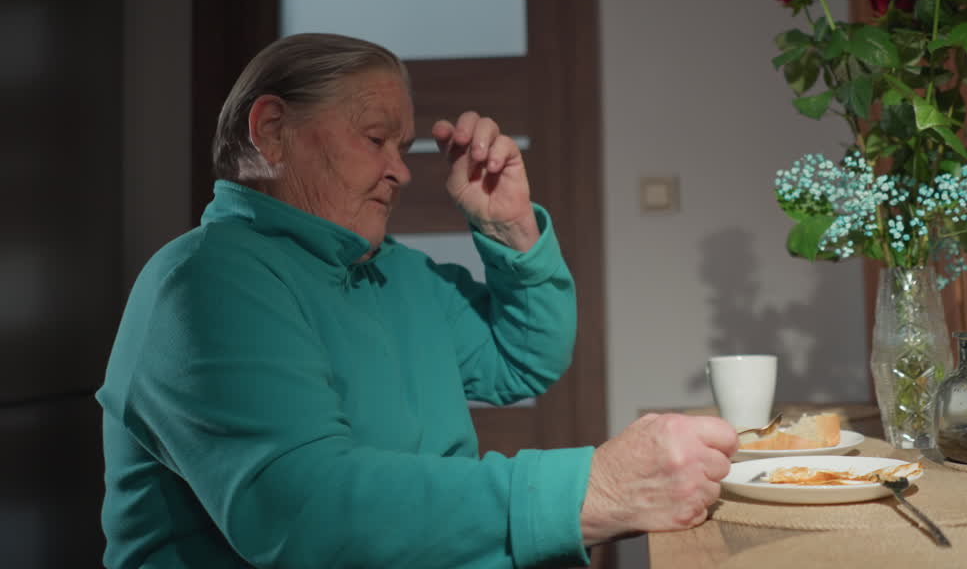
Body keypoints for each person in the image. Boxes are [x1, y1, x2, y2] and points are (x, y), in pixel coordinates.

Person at [97, 33, 739, 568]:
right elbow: (302, 515)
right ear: (271, 130)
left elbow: (523, 359)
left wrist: (510, 230)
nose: (401, 170)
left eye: (402, 148)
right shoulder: (204, 284)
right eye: (376, 139)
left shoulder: (392, 271)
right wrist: (591, 490)